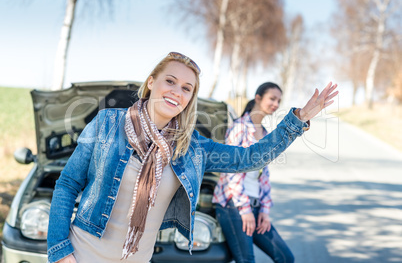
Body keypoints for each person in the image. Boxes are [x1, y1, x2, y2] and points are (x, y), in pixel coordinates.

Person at [47, 51, 338, 263]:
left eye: (187, 88)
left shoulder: (192, 147)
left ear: (190, 98)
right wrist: (60, 252)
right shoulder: (107, 123)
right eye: (170, 81)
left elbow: (251, 157)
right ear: (151, 82)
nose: (177, 92)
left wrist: (298, 119)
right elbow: (67, 184)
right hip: (82, 255)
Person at [213, 82, 295, 263]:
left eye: (279, 101)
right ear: (258, 98)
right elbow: (230, 171)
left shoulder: (265, 133)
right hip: (233, 205)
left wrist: (264, 210)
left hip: (256, 205)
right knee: (246, 260)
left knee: (285, 257)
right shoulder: (239, 128)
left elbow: (263, 177)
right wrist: (244, 209)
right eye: (272, 98)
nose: (275, 104)